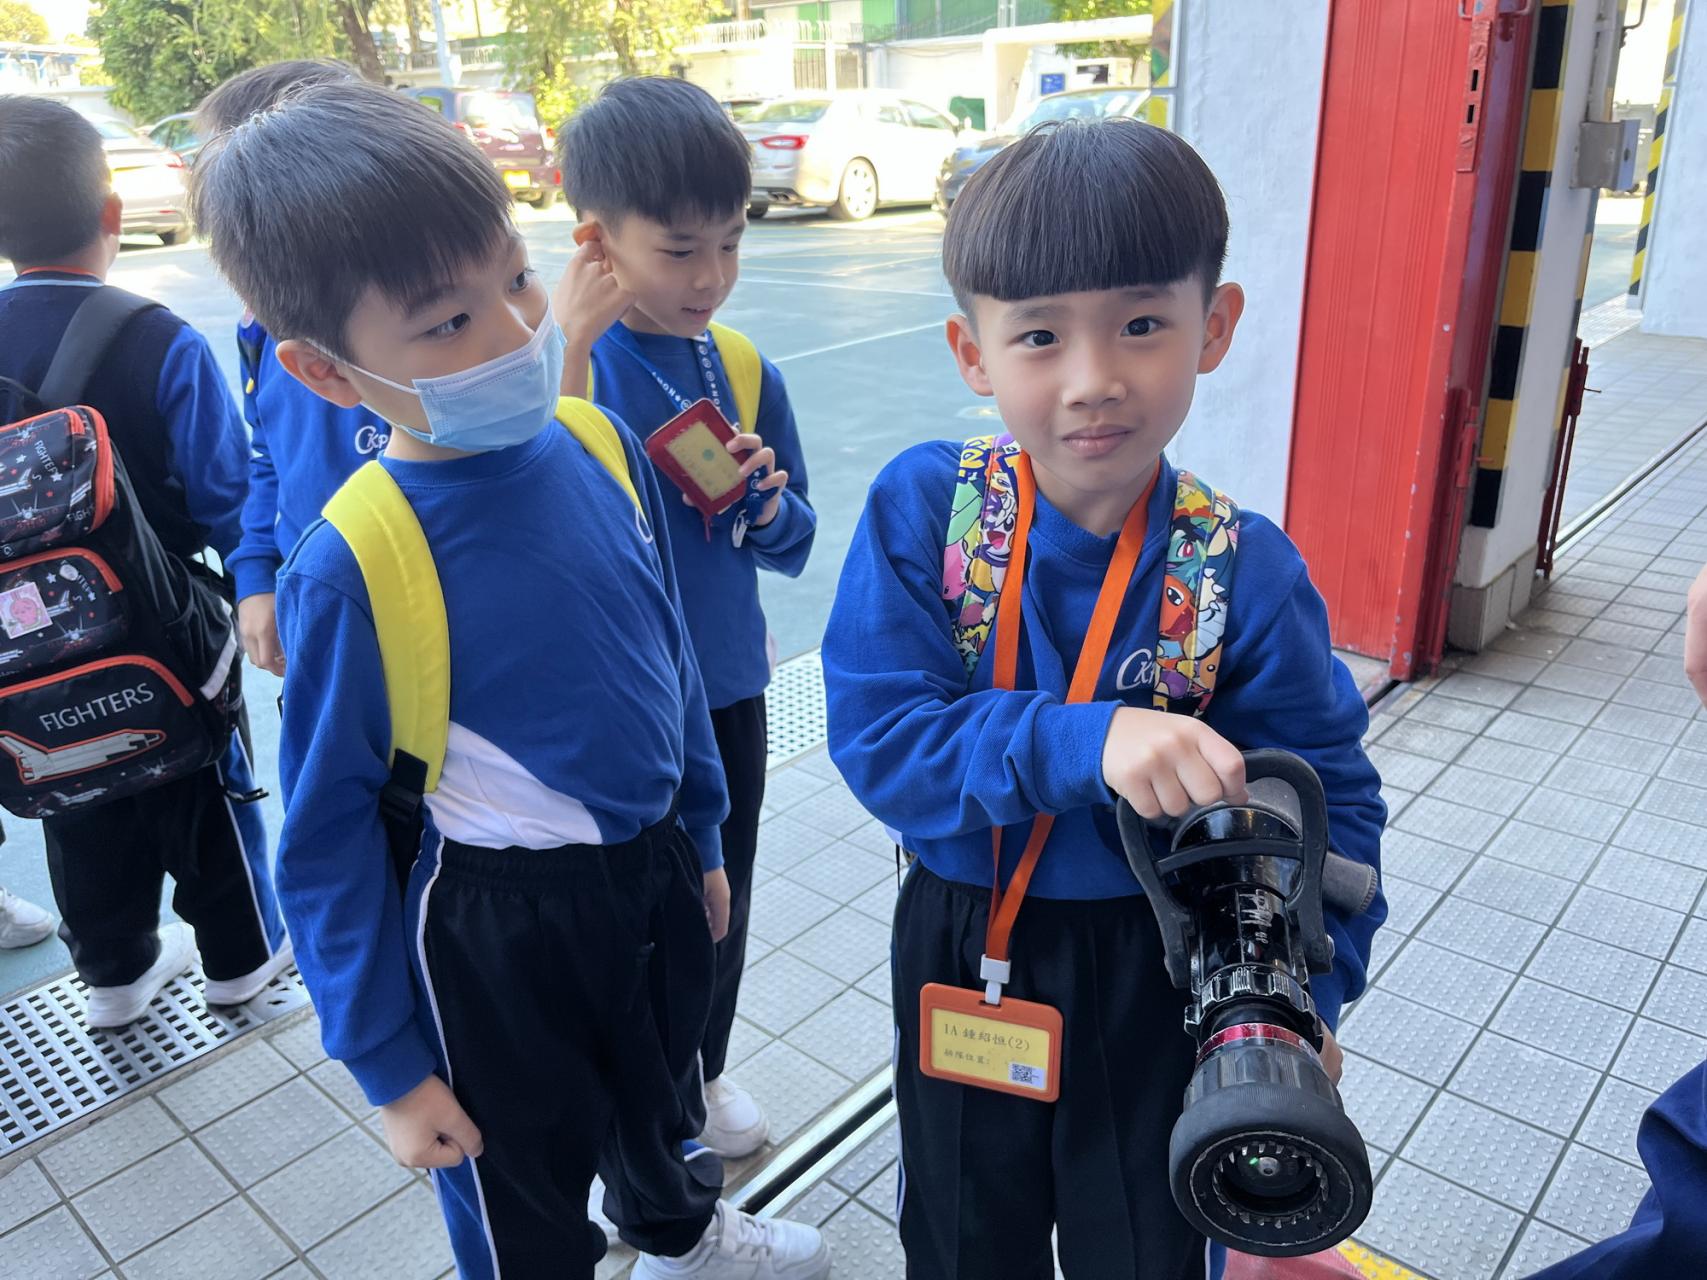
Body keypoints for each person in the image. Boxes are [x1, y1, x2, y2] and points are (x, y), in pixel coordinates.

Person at [189, 81, 828, 1280]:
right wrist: (391, 1066)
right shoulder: (355, 559)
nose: (513, 332)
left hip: (651, 871)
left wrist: (700, 835)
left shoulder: (596, 441)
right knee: (519, 1183)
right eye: (446, 323)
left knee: (659, 1098)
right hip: (497, 923)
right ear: (324, 370)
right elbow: (323, 836)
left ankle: (682, 1231)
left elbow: (668, 658)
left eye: (518, 279)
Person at [821, 117, 1386, 1279]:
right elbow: (883, 740)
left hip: (1162, 957)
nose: (1094, 380)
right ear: (972, 352)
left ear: (1213, 326)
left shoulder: (1242, 569)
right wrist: (1092, 737)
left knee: (1146, 1241)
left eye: (1141, 324)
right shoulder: (929, 513)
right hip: (965, 937)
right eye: (1039, 335)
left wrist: (1306, 998)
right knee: (963, 1239)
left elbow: (1332, 801)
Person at [554, 76, 816, 1159]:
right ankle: (634, 1105)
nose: (710, 276)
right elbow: (540, 506)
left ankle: (700, 1072)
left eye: (731, 242)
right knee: (625, 920)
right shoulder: (554, 366)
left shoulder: (740, 366)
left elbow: (794, 542)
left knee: (721, 900)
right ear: (596, 240)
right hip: (612, 706)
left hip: (725, 688)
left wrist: (764, 502)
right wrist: (567, 352)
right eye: (678, 250)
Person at [0, 96, 286, 1022]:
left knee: (71, 790)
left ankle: (114, 976)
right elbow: (225, 498)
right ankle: (241, 960)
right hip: (164, 633)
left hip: (22, 651)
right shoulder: (157, 336)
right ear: (112, 213)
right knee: (204, 781)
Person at [192, 58, 376, 678]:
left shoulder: (400, 335)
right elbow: (267, 451)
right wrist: (255, 574)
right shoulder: (257, 325)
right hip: (312, 601)